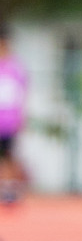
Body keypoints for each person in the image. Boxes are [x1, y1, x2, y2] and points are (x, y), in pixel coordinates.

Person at [0, 26, 29, 205]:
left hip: (8, 122)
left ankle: (10, 189)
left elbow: (21, 95)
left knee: (9, 156)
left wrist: (20, 118)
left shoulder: (16, 68)